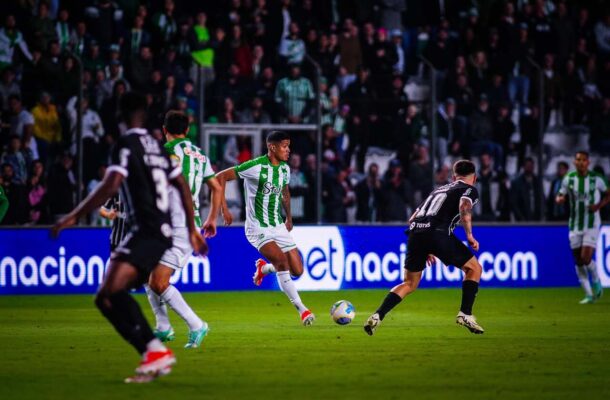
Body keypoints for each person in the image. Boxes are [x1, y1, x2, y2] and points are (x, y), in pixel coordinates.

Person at [51, 92, 206, 383]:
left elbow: (110, 186)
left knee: (109, 295)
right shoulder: (159, 149)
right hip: (164, 232)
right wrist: (193, 229)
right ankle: (156, 347)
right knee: (119, 292)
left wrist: (74, 216)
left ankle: (155, 349)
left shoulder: (126, 145)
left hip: (144, 231)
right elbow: (183, 185)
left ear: (120, 116)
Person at [365, 160, 485, 335]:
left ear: (453, 176)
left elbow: (412, 218)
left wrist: (426, 246)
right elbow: (464, 207)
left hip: (415, 233)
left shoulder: (439, 189)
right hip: (438, 233)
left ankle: (378, 315)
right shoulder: (469, 189)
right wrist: (469, 235)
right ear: (474, 178)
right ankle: (465, 313)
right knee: (474, 268)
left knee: (409, 283)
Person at [215, 131, 315, 326]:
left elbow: (285, 192)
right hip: (257, 227)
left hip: (277, 224)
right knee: (281, 261)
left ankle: (264, 268)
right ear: (272, 147)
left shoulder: (285, 169)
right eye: (285, 146)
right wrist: (224, 208)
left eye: (289, 146)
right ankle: (303, 310)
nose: (288, 150)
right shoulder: (255, 166)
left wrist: (289, 217)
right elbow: (220, 177)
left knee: (298, 270)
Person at [144, 110, 222, 348]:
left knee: (158, 282)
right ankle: (164, 327)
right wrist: (212, 218)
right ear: (187, 130)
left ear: (164, 130)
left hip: (178, 225)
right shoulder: (199, 154)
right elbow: (216, 188)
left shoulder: (165, 152)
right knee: (148, 275)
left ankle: (196, 325)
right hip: (184, 223)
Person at [556, 151, 610, 304]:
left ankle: (597, 280)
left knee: (586, 258)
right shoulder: (569, 179)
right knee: (578, 260)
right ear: (574, 162)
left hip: (592, 223)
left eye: (583, 160)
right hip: (574, 224)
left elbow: (608, 194)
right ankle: (588, 294)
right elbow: (561, 194)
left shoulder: (596, 179)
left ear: (588, 162)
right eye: (578, 159)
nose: (580, 162)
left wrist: (598, 206)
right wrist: (559, 199)